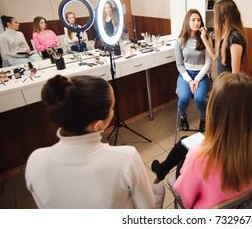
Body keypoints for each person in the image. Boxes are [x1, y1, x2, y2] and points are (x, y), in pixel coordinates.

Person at [25, 75, 163, 209]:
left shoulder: (35, 160)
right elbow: (147, 208)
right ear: (97, 125)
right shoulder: (126, 158)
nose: (113, 111)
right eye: (112, 106)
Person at [152, 73, 252, 193]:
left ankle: (162, 170)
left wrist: (188, 163)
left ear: (214, 111)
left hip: (205, 205)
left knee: (183, 154)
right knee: (184, 142)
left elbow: (184, 196)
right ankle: (162, 170)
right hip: (240, 199)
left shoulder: (198, 159)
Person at [175, 9, 211, 132]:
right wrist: (190, 81)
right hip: (185, 75)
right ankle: (183, 117)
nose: (196, 23)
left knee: (199, 98)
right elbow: (179, 65)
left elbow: (208, 63)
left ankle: (203, 118)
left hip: (202, 76)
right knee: (184, 98)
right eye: (193, 20)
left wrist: (196, 79)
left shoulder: (205, 38)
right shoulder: (180, 40)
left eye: (199, 20)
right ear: (187, 21)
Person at [200, 0, 247, 74]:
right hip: (222, 79)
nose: (215, 17)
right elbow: (215, 56)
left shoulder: (235, 38)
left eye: (216, 14)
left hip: (228, 83)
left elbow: (235, 74)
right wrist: (204, 38)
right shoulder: (225, 34)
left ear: (224, 16)